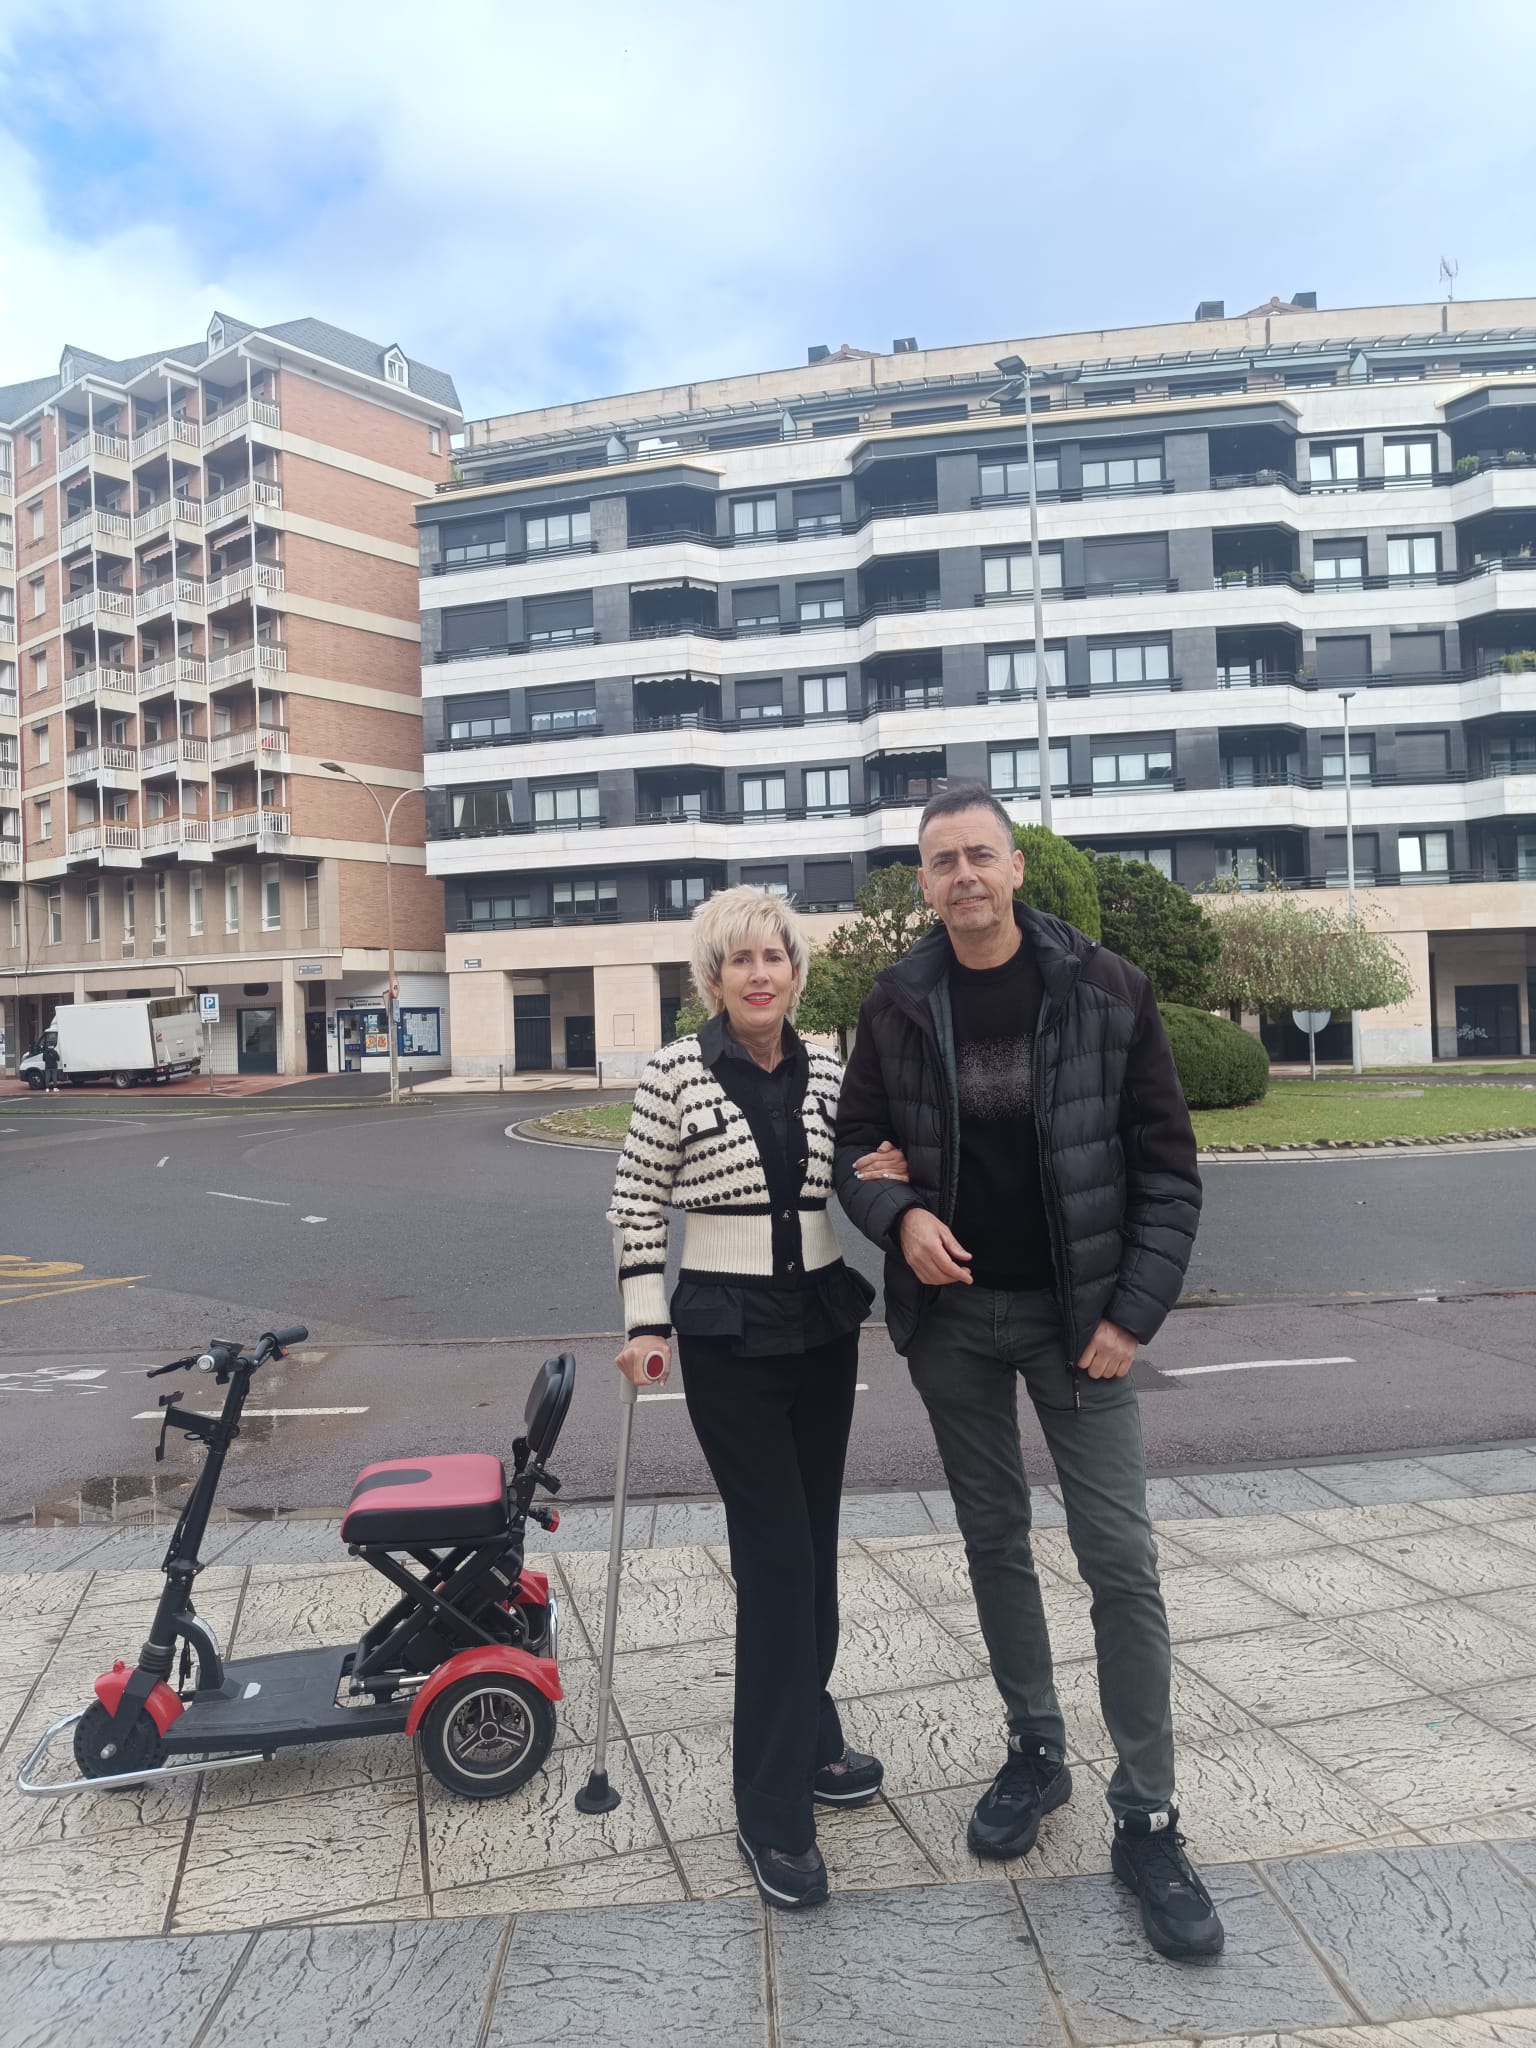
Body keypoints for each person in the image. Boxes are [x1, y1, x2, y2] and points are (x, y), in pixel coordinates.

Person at [833, 784, 1221, 1962]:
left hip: (1079, 1324)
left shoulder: (1106, 988)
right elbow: (856, 1152)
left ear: (1014, 868)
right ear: (924, 881)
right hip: (954, 1322)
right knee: (994, 1539)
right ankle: (1036, 1748)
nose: (963, 874)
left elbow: (1169, 1172)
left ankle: (1146, 1816)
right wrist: (899, 1215)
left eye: (980, 854)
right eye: (941, 859)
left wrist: (1133, 1312)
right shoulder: (897, 1002)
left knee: (1121, 1560)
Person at [607, 885, 907, 1910]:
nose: (759, 974)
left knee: (813, 1550)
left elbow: (861, 1164)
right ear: (713, 977)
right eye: (739, 959)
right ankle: (769, 1803)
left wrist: (888, 1168)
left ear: (795, 971)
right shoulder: (673, 1074)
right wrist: (645, 1322)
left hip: (821, 1328)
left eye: (773, 956)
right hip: (728, 1339)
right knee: (777, 1564)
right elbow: (637, 1199)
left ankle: (811, 1736)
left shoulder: (829, 1067)